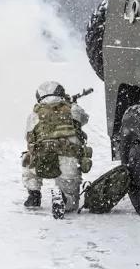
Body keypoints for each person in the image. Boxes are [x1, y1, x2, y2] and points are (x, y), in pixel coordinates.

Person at [22, 81, 91, 216]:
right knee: (70, 192)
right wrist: (74, 104)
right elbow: (84, 118)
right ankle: (64, 198)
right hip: (68, 156)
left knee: (28, 161)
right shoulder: (72, 109)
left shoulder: (34, 114)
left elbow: (28, 136)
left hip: (42, 157)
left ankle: (34, 195)